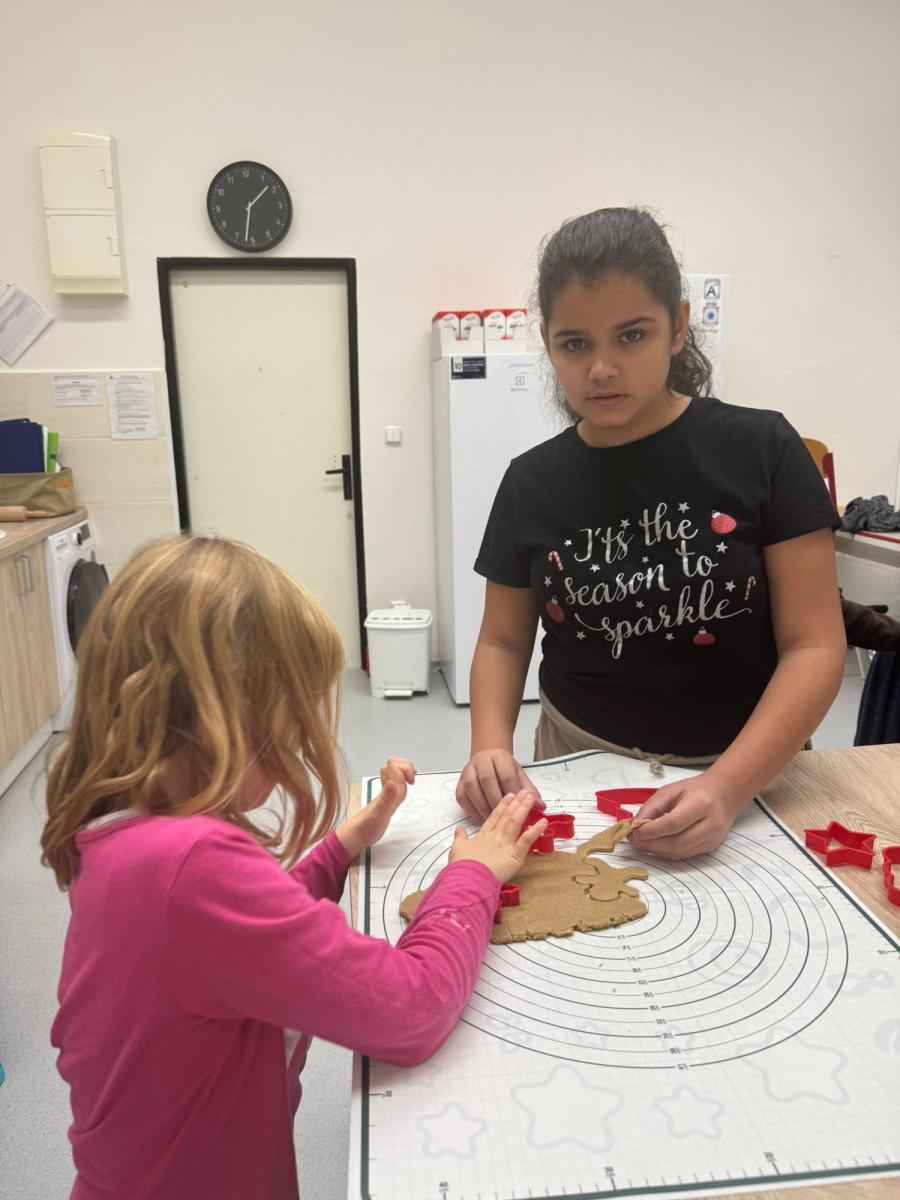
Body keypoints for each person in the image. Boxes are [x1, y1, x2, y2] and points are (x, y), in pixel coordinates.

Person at [41, 535, 546, 1200]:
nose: (302, 730)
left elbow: (239, 940)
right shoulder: (193, 866)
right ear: (234, 709)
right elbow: (411, 1010)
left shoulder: (125, 835)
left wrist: (338, 849)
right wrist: (472, 876)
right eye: (296, 705)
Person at [457, 206, 847, 859]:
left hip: (753, 772)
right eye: (575, 344)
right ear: (548, 343)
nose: (601, 369)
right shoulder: (530, 481)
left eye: (631, 336)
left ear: (678, 326)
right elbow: (501, 640)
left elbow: (815, 645)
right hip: (578, 762)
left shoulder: (764, 449)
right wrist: (489, 746)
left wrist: (726, 788)